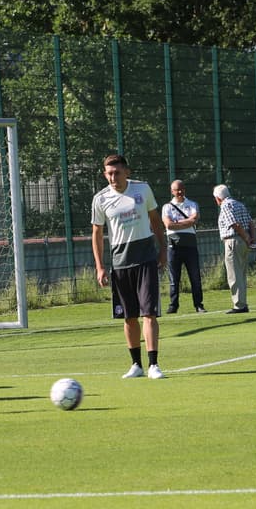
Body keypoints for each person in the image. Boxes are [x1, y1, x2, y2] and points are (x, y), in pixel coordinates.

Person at [90, 153, 167, 379]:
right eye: (109, 173)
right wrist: (100, 267)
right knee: (128, 316)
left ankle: (153, 364)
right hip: (120, 262)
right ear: (105, 174)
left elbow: (155, 220)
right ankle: (136, 365)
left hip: (145, 258)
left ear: (127, 172)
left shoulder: (142, 190)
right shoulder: (100, 199)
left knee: (149, 313)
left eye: (117, 172)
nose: (113, 177)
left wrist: (163, 249)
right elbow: (97, 233)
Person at [162, 179, 204, 314]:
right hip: (173, 246)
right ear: (172, 191)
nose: (179, 192)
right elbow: (168, 225)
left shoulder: (192, 204)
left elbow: (194, 219)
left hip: (190, 246)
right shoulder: (167, 207)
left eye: (181, 189)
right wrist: (187, 222)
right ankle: (173, 305)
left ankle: (199, 305)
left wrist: (177, 222)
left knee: (195, 277)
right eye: (176, 190)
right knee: (174, 279)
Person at [213, 184, 254, 313]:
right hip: (243, 241)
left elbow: (234, 224)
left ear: (218, 198)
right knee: (241, 274)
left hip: (233, 241)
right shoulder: (239, 204)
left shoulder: (225, 206)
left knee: (234, 274)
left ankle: (239, 305)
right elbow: (251, 223)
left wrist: (246, 237)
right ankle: (243, 302)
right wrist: (252, 238)